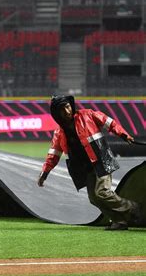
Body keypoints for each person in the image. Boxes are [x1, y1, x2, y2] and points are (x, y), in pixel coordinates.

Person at [38, 94, 142, 230]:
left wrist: (122, 134)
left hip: (101, 160)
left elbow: (109, 122)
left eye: (68, 107)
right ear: (57, 114)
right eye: (62, 110)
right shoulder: (59, 133)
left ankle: (134, 208)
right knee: (94, 198)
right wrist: (44, 173)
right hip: (84, 168)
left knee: (102, 192)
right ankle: (119, 221)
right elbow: (53, 155)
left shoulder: (87, 115)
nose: (67, 111)